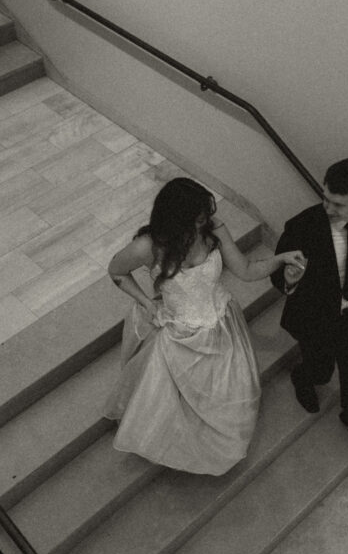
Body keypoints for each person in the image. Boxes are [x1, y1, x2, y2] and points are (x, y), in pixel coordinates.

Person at [104, 178, 305, 475]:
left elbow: (247, 270)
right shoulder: (148, 246)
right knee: (175, 398)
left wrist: (280, 259)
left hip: (223, 322)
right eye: (196, 218)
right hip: (180, 334)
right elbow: (116, 271)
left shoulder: (213, 230)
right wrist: (147, 303)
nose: (203, 223)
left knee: (225, 392)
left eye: (204, 215)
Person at [271, 159, 348, 454]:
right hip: (316, 316)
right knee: (322, 370)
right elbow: (277, 274)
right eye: (325, 198)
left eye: (338, 204)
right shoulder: (303, 226)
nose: (328, 208)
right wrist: (288, 279)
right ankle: (303, 376)